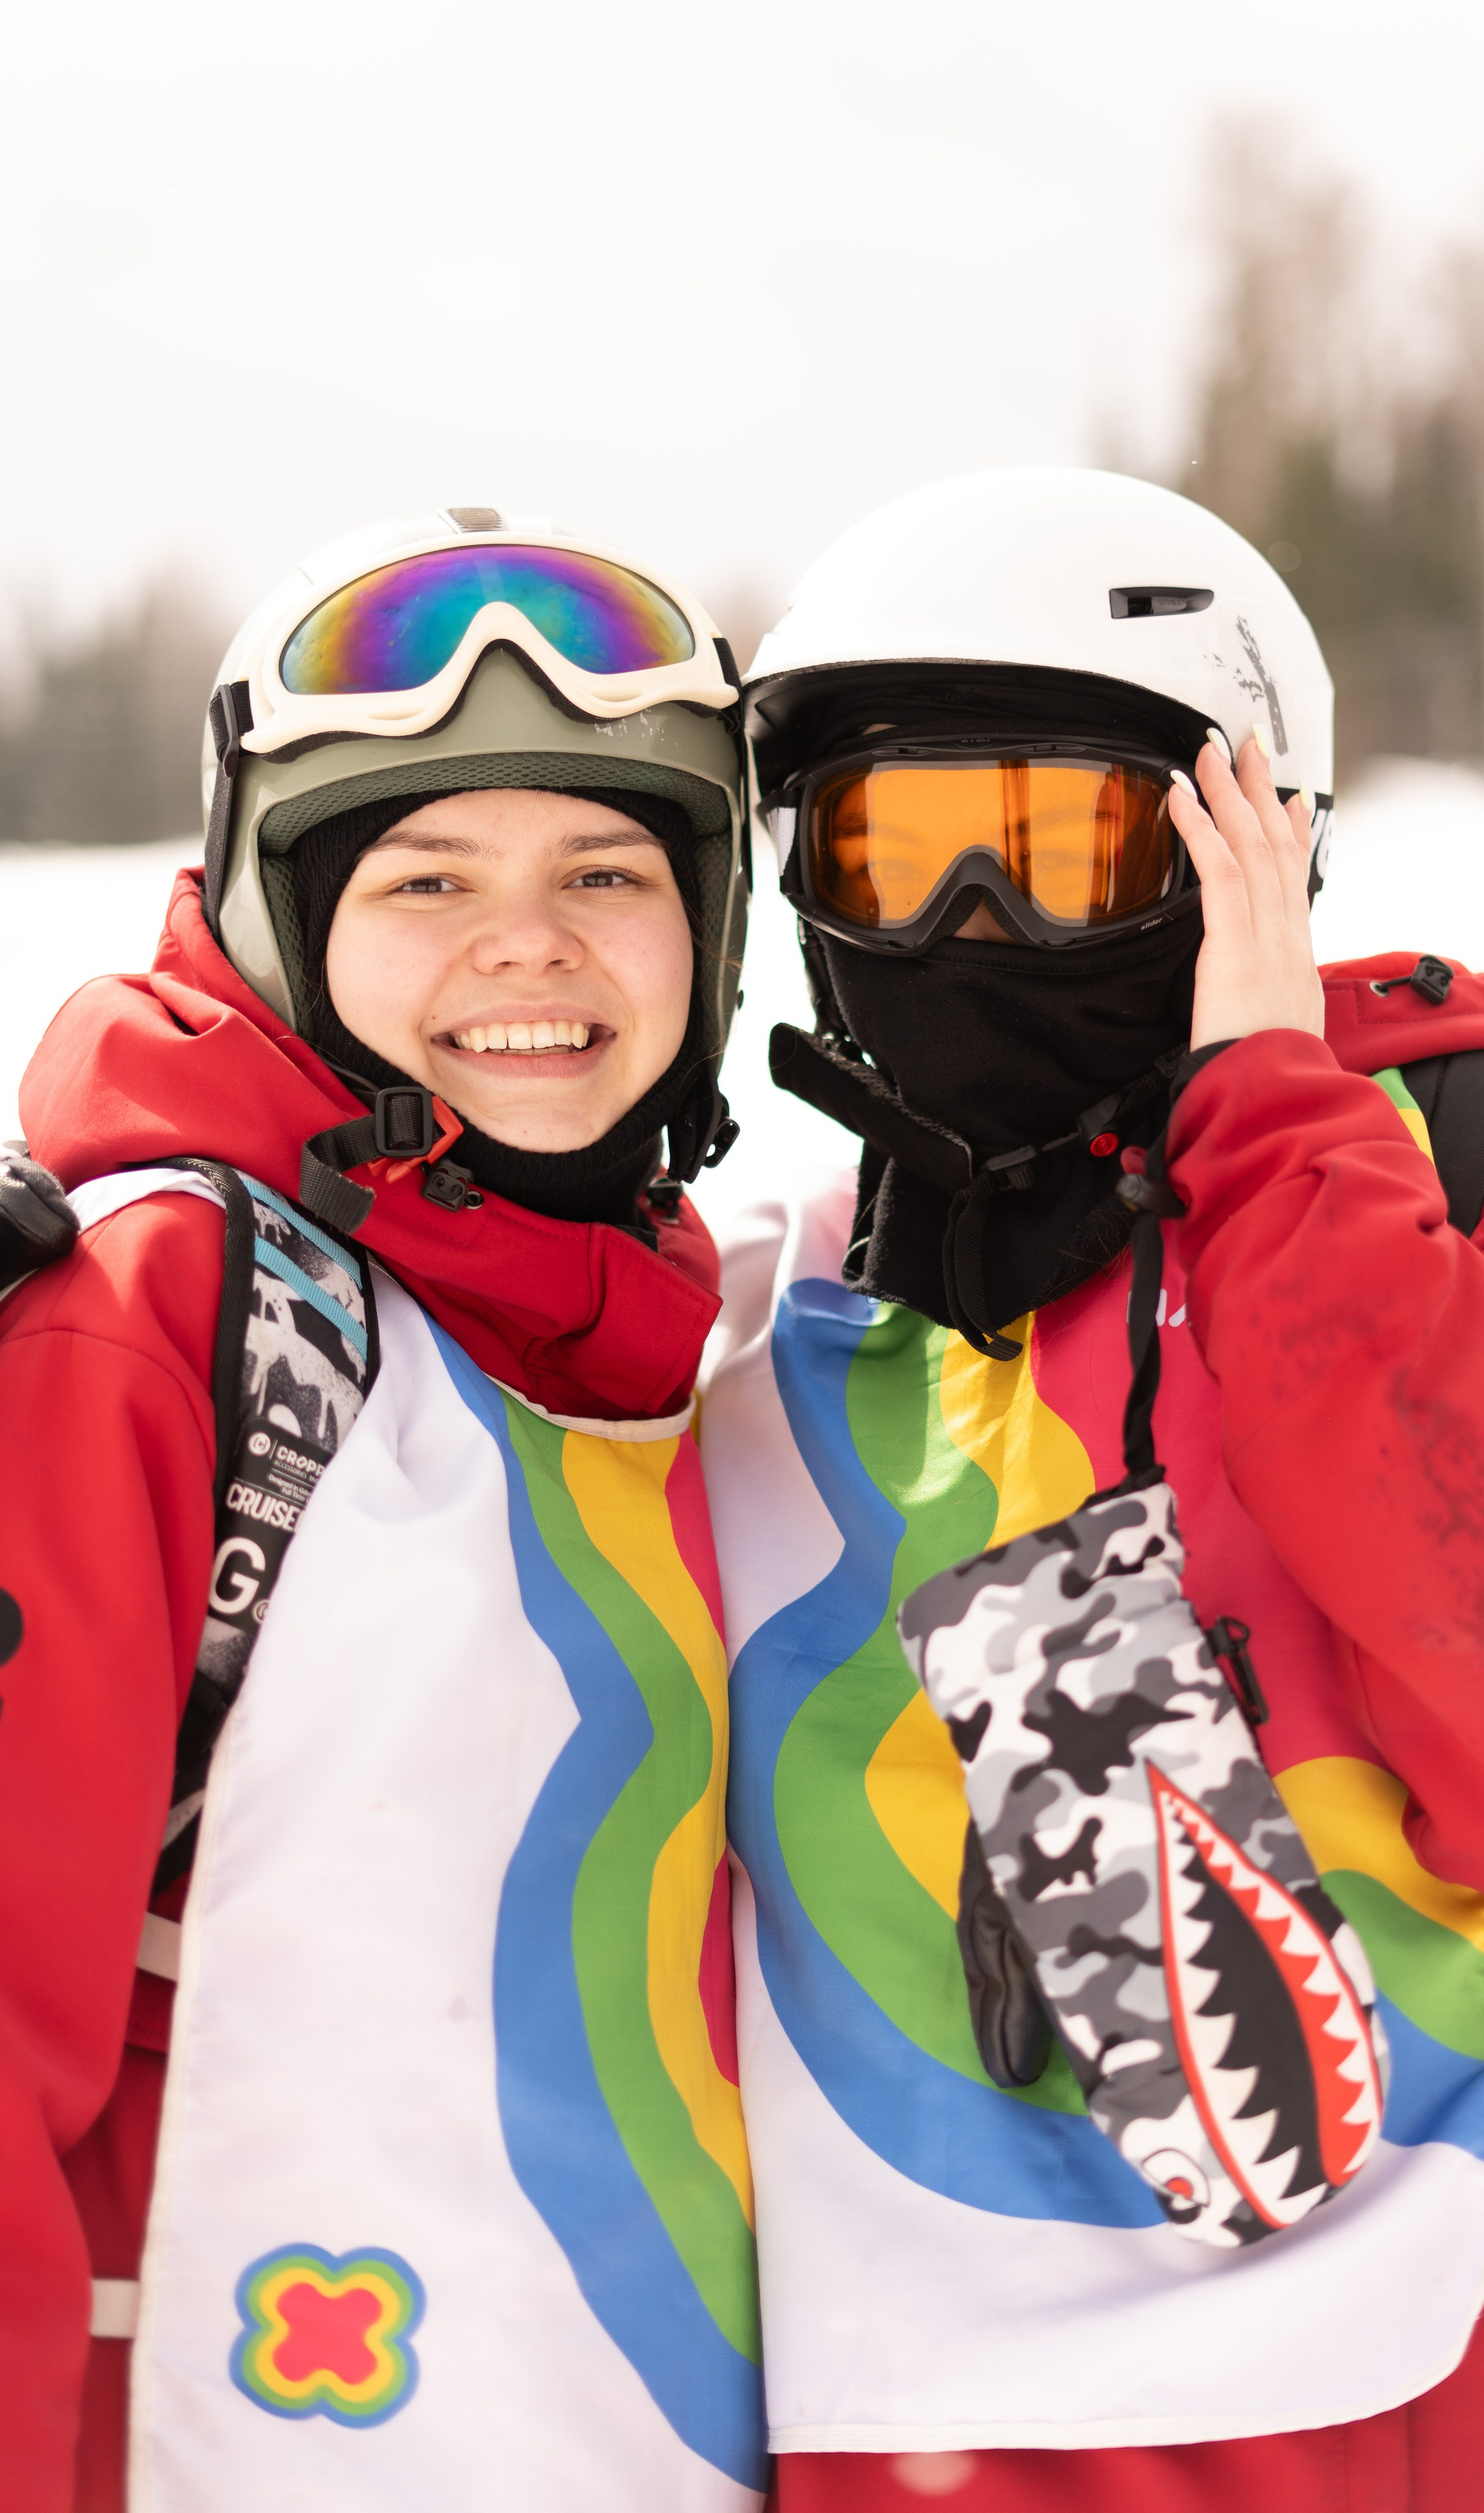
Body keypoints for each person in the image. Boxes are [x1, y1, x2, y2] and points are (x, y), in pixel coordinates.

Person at [698, 469, 1484, 2512]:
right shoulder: (784, 1317)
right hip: (972, 2422)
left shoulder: (1467, 1165)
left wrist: (1281, 1144)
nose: (973, 934)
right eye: (900, 856)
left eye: (1065, 851)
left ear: (1256, 845)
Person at [0, 511, 766, 2512]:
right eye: (427, 879)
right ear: (282, 927)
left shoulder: (699, 1357)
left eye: (608, 869)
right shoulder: (163, 1317)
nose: (532, 944)